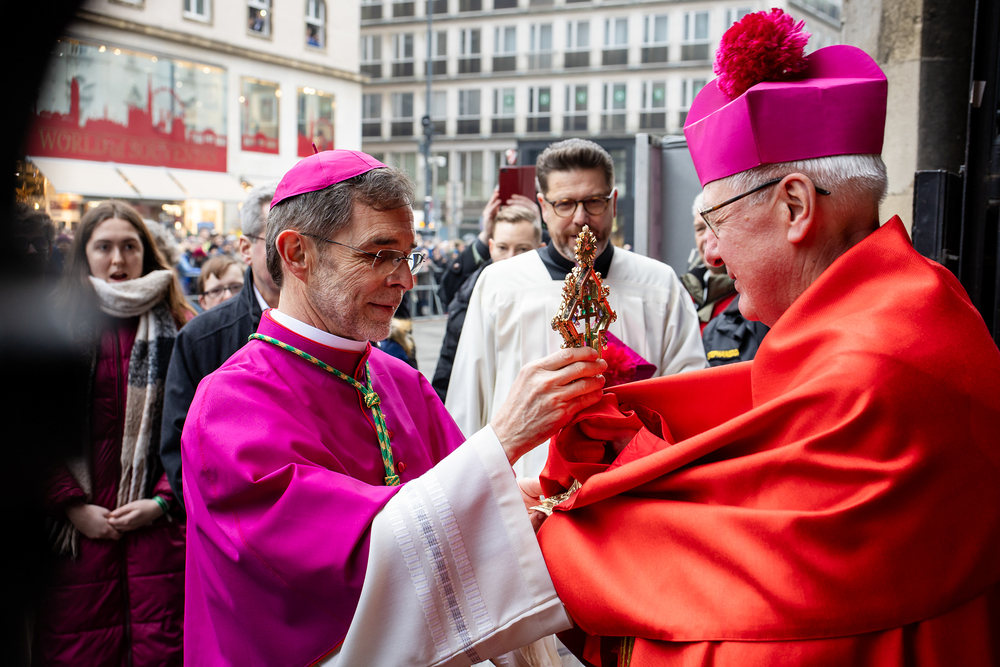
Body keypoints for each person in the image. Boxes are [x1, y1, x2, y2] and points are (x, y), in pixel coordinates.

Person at [533, 11, 1000, 665]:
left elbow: (776, 586)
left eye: (718, 221)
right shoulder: (923, 300)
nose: (713, 254)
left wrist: (552, 536)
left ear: (795, 206)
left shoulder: (875, 364)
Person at [181, 150, 608, 666]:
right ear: (297, 254)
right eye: (380, 253)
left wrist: (521, 502)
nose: (406, 279)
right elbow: (344, 567)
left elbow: (469, 514)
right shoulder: (229, 407)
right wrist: (502, 440)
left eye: (409, 255)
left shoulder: (401, 381)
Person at [447, 138, 707, 478]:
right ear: (543, 207)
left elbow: (688, 400)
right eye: (565, 204)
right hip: (524, 492)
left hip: (634, 484)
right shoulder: (499, 285)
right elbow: (469, 403)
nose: (581, 219)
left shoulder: (659, 284)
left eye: (594, 202)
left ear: (613, 203)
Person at [34, 200, 194, 666]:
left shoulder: (182, 325)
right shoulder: (52, 326)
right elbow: (30, 433)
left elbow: (194, 430)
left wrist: (162, 501)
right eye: (103, 247)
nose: (118, 260)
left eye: (130, 246)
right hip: (76, 544)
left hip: (160, 539)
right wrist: (70, 505)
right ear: (84, 253)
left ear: (146, 252)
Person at [160, 183, 278, 511]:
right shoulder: (200, 337)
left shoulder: (332, 325)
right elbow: (180, 449)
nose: (292, 250)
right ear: (245, 248)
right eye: (276, 238)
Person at [433, 204, 544, 402]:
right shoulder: (471, 290)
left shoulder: (552, 301)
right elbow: (449, 364)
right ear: (491, 248)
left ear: (540, 250)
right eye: (502, 248)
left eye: (523, 249)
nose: (510, 258)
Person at [681, 193, 768, 366]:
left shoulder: (756, 298)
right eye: (700, 228)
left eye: (716, 225)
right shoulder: (680, 293)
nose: (707, 239)